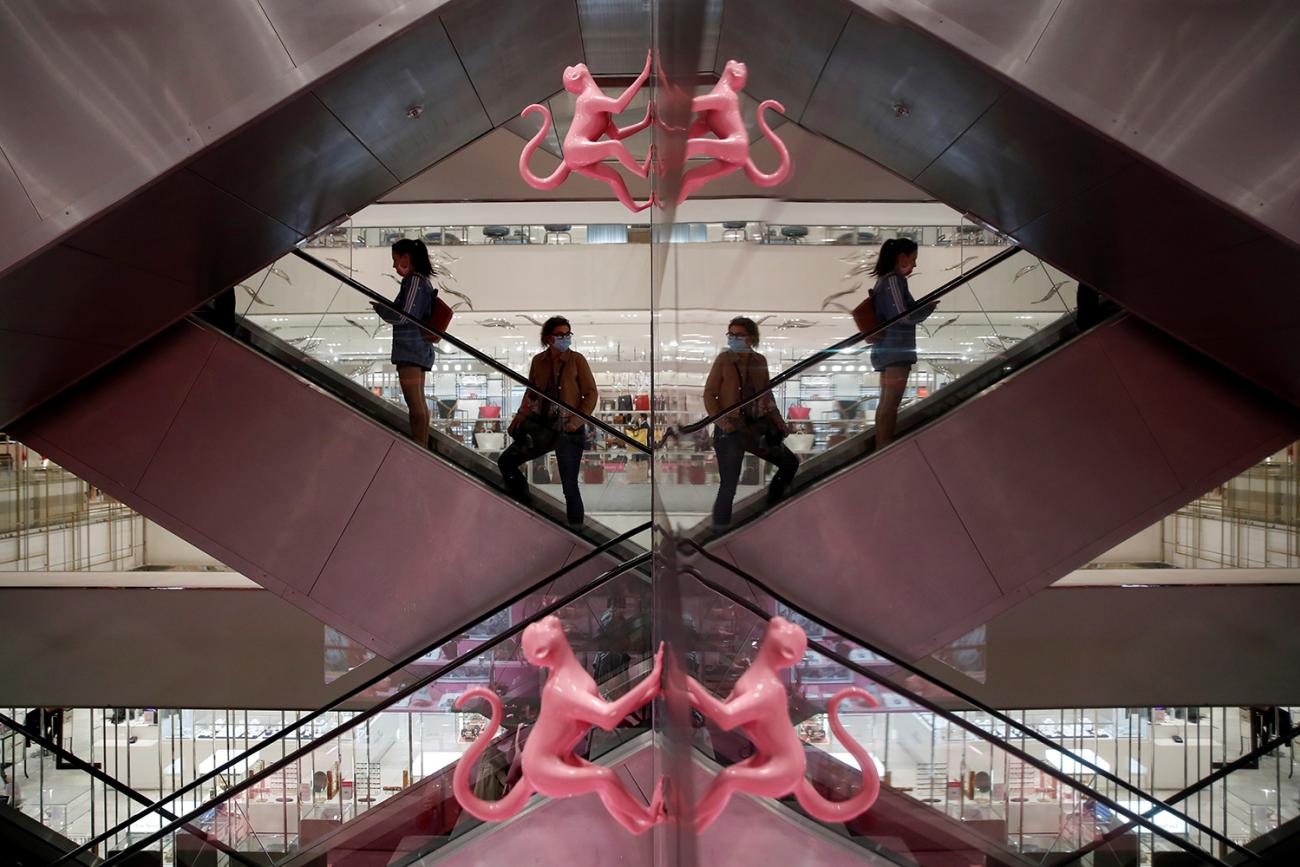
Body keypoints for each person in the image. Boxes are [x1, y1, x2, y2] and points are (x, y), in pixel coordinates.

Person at [500, 316, 597, 526]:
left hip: (569, 430)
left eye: (567, 334)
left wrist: (576, 421)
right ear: (548, 338)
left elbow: (591, 393)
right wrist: (520, 417)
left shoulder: (576, 360)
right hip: (544, 427)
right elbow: (532, 393)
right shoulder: (539, 361)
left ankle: (576, 531)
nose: (565, 339)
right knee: (506, 461)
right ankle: (525, 506)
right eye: (559, 335)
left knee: (569, 486)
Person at [704, 317, 799, 531]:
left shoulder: (760, 361)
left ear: (752, 338)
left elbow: (766, 396)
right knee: (728, 484)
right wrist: (723, 422)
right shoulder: (724, 360)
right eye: (731, 335)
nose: (734, 339)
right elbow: (709, 394)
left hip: (754, 428)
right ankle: (719, 530)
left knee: (789, 463)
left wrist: (779, 421)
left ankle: (770, 507)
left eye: (739, 335)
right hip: (729, 430)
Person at [870, 238, 935, 448]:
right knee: (891, 404)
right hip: (896, 349)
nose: (914, 265)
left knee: (885, 404)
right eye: (913, 259)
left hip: (886, 350)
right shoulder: (893, 280)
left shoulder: (883, 281)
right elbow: (902, 316)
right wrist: (927, 309)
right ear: (902, 257)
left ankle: (881, 445)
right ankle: (884, 446)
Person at [373, 238, 437, 446]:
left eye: (395, 259)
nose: (394, 265)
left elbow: (404, 316)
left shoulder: (414, 281)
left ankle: (420, 448)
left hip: (410, 349)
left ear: (406, 257)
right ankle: (423, 446)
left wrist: (381, 308)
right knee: (420, 405)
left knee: (415, 407)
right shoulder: (423, 281)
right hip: (419, 349)